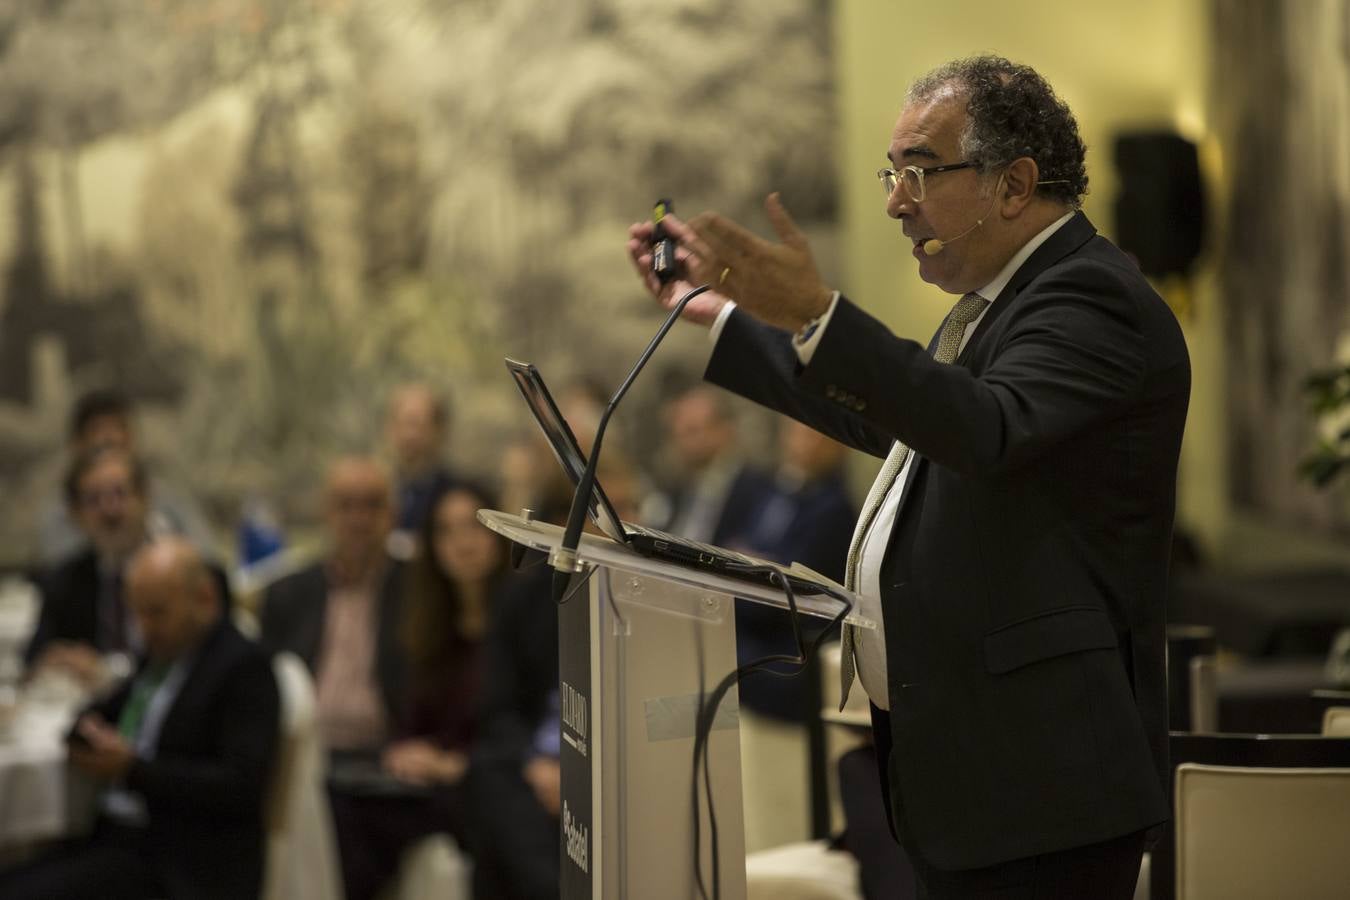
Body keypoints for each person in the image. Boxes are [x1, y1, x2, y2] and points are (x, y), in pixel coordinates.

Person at [627, 55, 1190, 898]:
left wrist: (818, 315)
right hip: (977, 775)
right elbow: (894, 413)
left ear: (1013, 183)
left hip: (1045, 787)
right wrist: (722, 316)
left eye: (921, 173)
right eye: (895, 173)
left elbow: (985, 429)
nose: (896, 201)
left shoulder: (1088, 299)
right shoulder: (1004, 300)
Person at [0, 538, 280, 900]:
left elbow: (240, 786)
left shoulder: (242, 666)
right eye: (138, 613)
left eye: (158, 612)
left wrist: (132, 769)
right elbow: (103, 710)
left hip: (182, 862)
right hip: (119, 839)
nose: (145, 626)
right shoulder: (162, 654)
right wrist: (84, 734)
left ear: (205, 598)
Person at [326, 480, 510, 900]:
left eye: (473, 527)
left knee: (355, 817)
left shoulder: (519, 623)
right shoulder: (432, 624)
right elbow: (414, 717)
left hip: (482, 786)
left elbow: (517, 730)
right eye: (446, 531)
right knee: (338, 796)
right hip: (427, 784)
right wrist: (405, 750)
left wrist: (450, 764)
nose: (461, 543)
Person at [260, 457, 406, 755]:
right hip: (304, 757)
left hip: (391, 758)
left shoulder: (416, 592)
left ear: (393, 514)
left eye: (372, 505)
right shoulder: (287, 593)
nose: (358, 519)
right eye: (346, 505)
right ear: (326, 513)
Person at [35, 389, 214, 566]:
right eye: (97, 429)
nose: (111, 438)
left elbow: (205, 557)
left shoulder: (167, 497)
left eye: (121, 493)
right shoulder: (60, 511)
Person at [25, 448, 154, 686]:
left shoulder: (180, 575)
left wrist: (106, 671)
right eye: (94, 499)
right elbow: (34, 659)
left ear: (144, 498)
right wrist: (57, 660)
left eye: (119, 494)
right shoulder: (64, 580)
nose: (109, 510)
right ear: (76, 514)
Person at [384, 383, 459, 556]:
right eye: (403, 424)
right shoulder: (381, 488)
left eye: (418, 425)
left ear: (439, 430)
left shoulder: (454, 494)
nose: (409, 435)